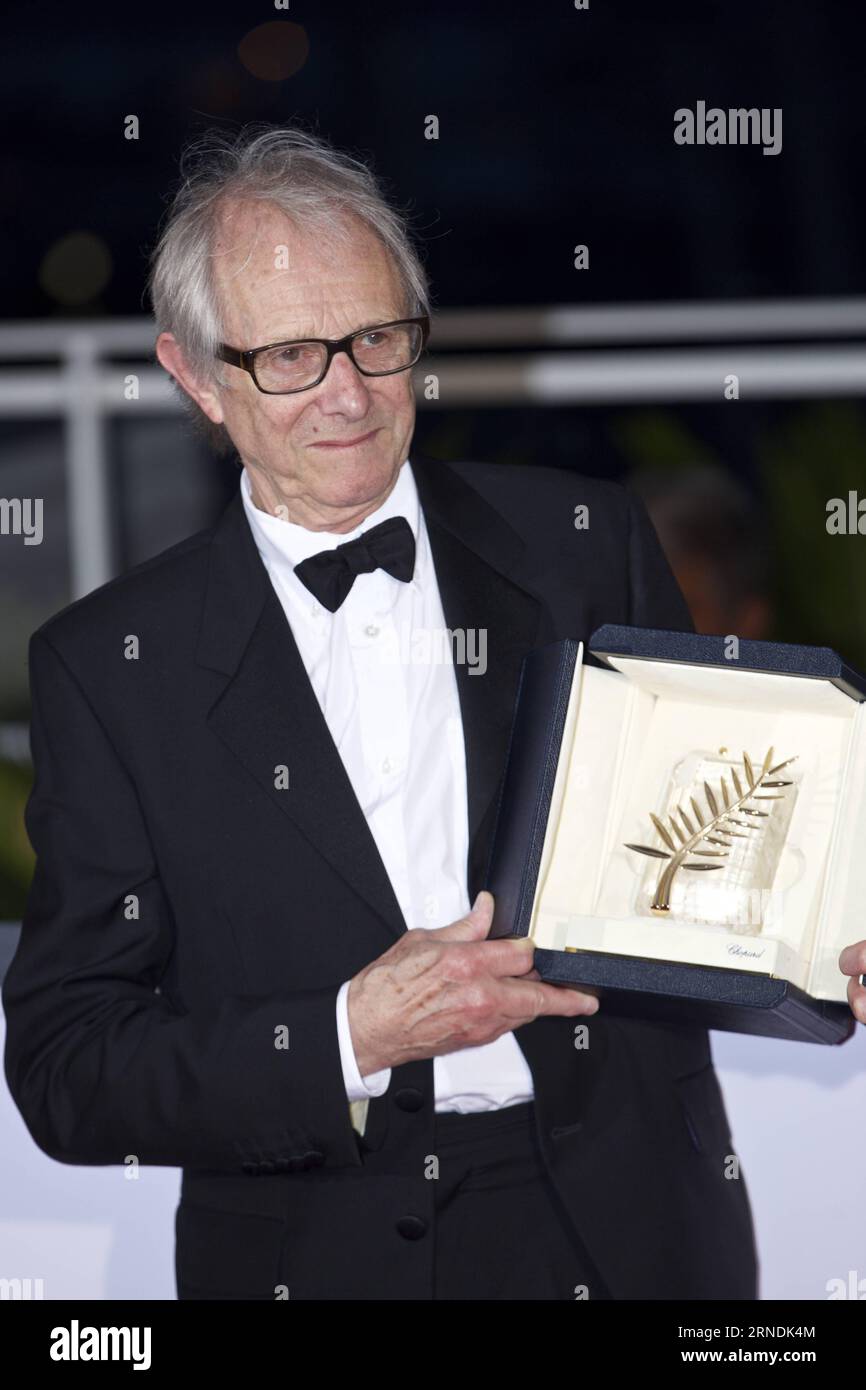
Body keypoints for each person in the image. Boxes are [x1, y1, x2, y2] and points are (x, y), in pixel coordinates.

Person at [4, 125, 864, 1302]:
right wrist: (351, 1030)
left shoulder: (584, 543)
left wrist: (828, 935)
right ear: (197, 376)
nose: (349, 394)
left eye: (376, 338)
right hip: (314, 1253)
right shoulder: (109, 667)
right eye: (292, 356)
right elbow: (66, 1070)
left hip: (630, 1231)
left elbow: (712, 867)